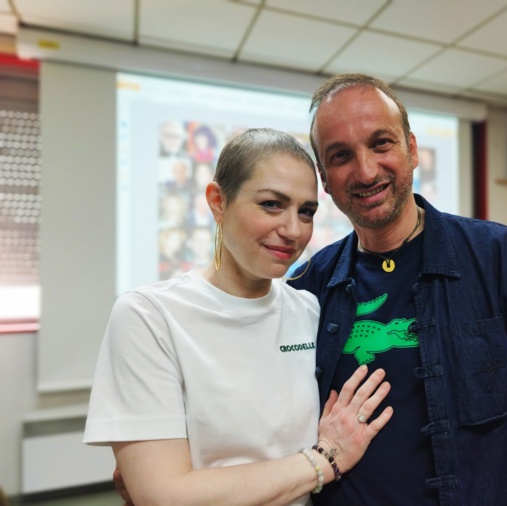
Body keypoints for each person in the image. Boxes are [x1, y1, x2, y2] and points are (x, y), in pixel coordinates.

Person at [284, 73, 507, 505]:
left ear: (412, 150)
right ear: (325, 178)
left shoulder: (501, 259)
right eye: (341, 156)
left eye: (381, 143)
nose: (365, 170)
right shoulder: (308, 286)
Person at [85, 128, 393, 506]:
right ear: (218, 202)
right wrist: (325, 459)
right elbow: (165, 496)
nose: (293, 230)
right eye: (271, 204)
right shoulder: (150, 316)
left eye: (306, 212)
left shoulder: (311, 312)